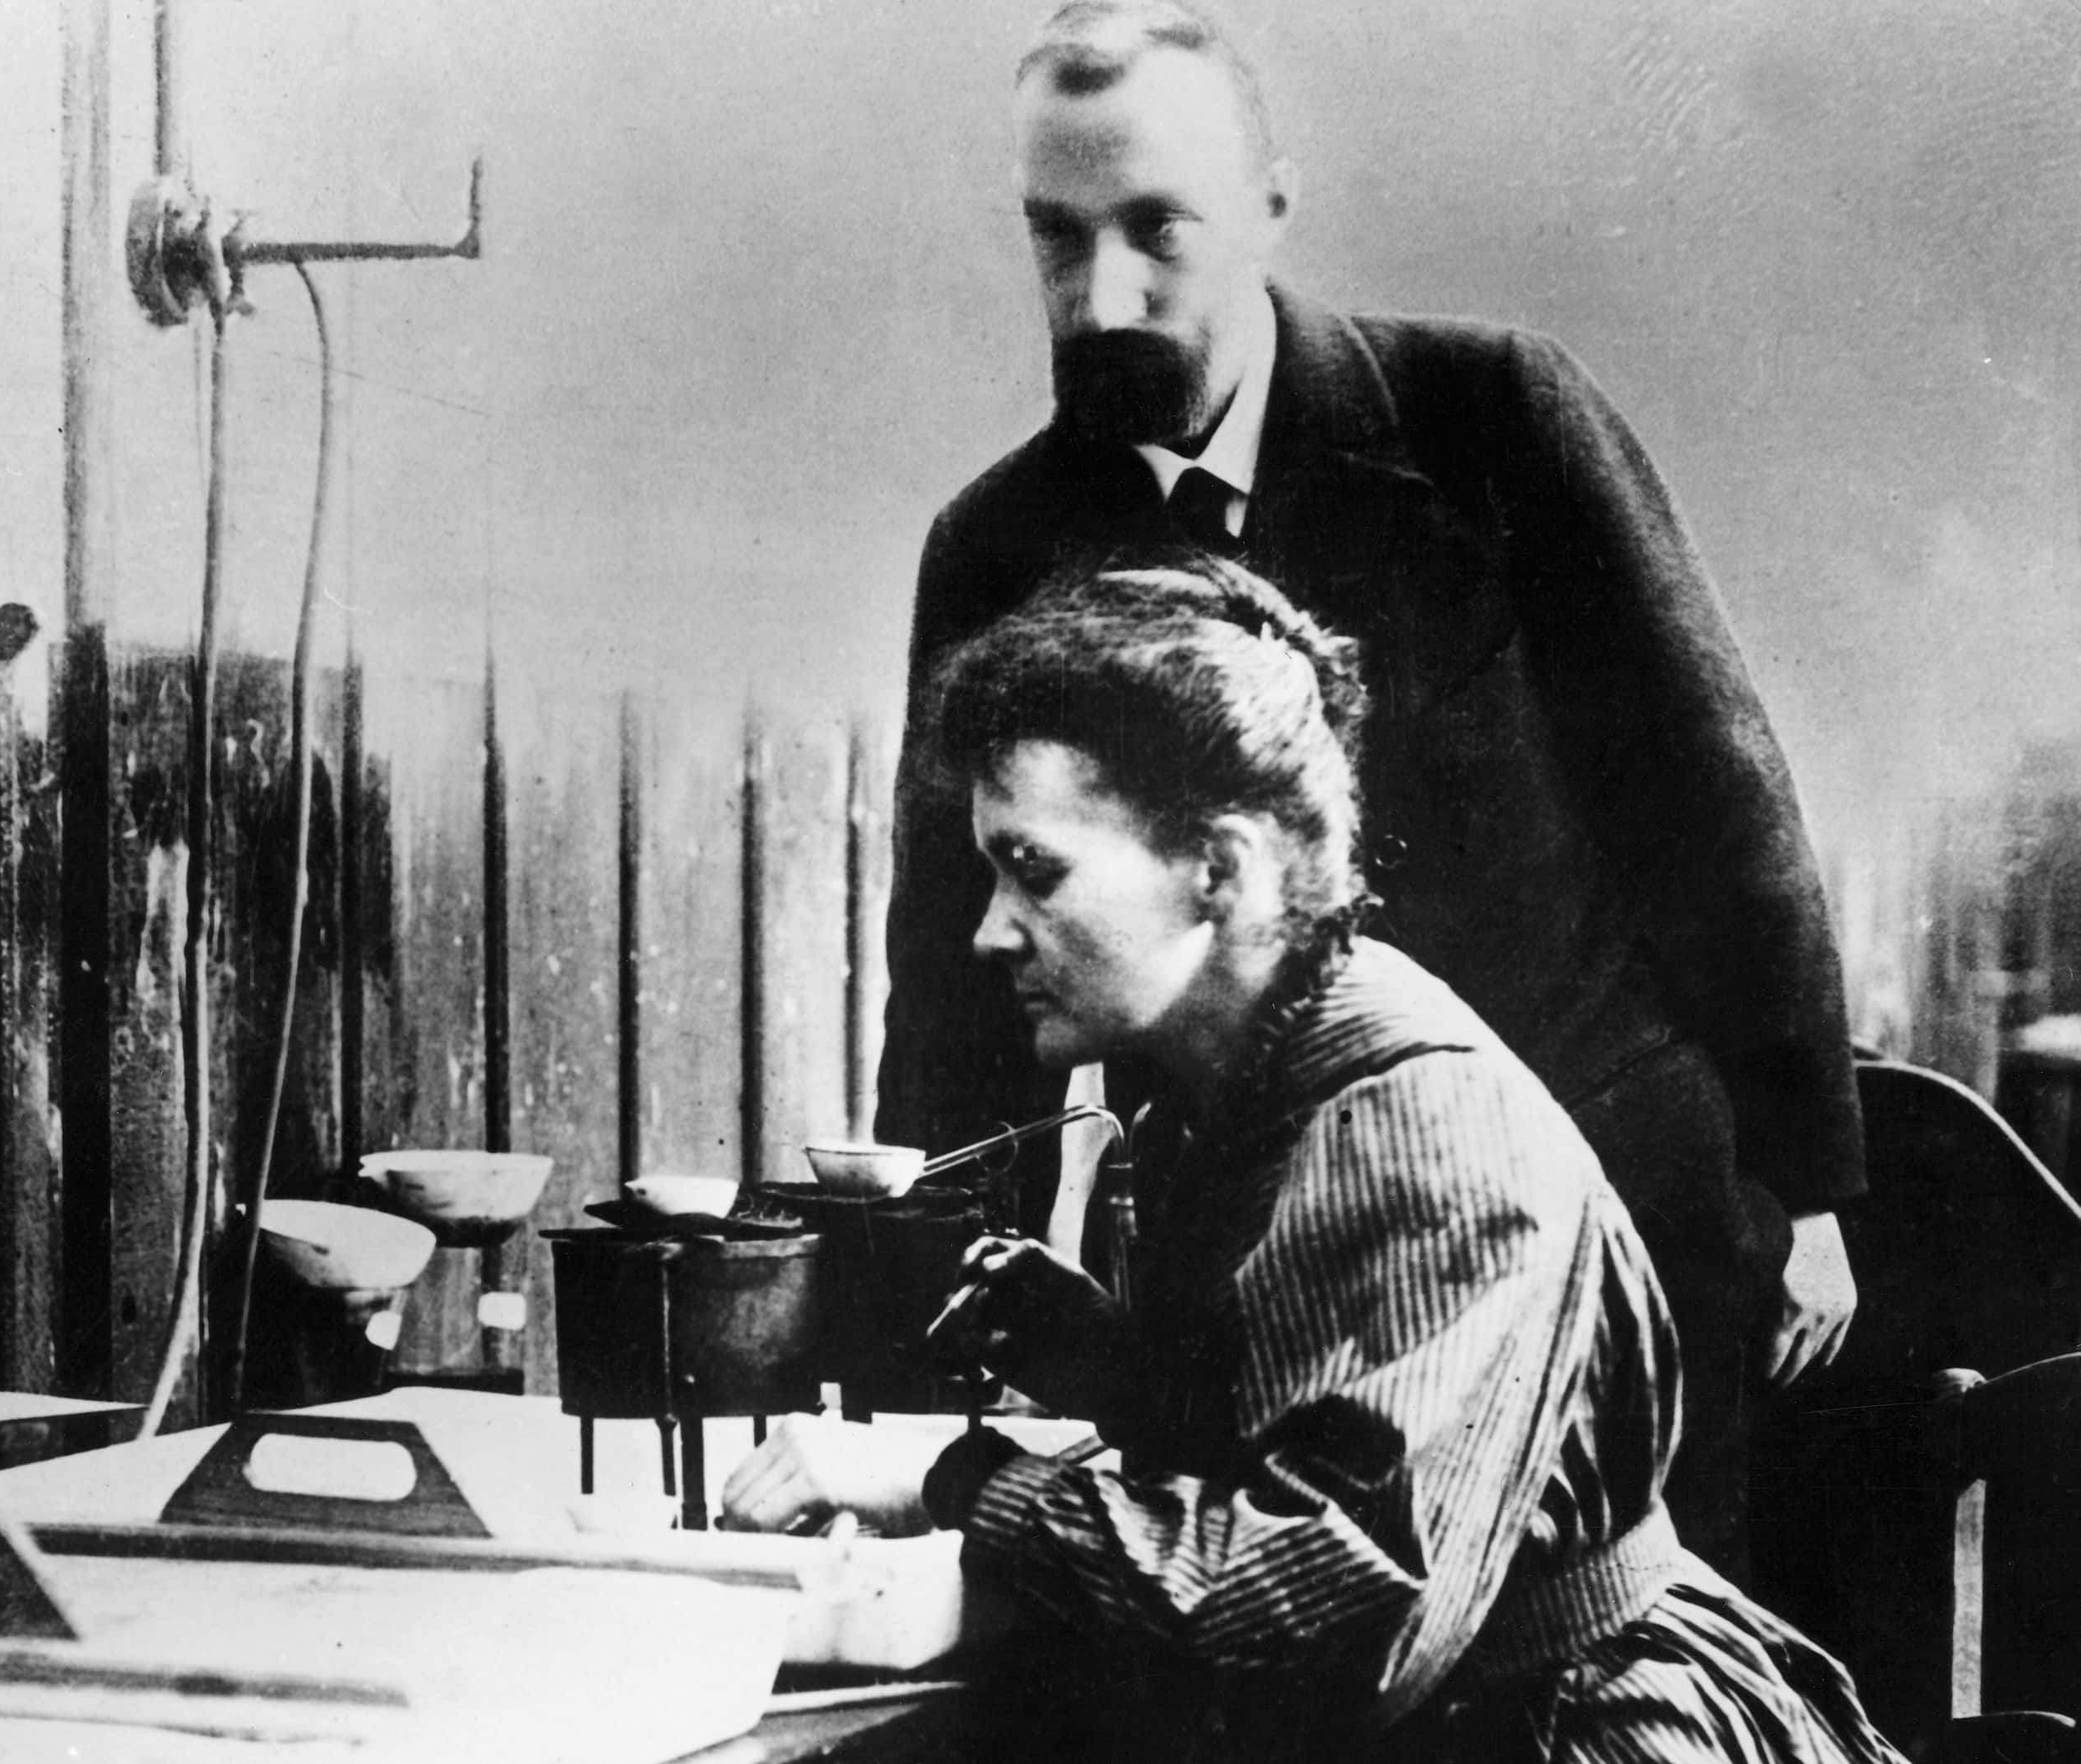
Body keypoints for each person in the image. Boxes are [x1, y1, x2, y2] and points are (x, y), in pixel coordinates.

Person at [875, 0, 1862, 1581]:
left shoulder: (1492, 423)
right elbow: (956, 963)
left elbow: (1713, 803)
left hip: (1611, 1212)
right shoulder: (996, 545)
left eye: (1156, 231)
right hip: (1257, 1268)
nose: (1100, 294)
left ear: (1268, 206)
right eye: (1055, 241)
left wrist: (1804, 1187)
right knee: (1272, 1632)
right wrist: (920, 1312)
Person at [727, 558, 1903, 1763]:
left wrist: (950, 1473)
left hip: (1571, 1731)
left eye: (1034, 869)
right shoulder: (1253, 1071)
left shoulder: (1410, 1118)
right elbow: (1320, 1420)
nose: (988, 928)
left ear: (1221, 869)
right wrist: (1111, 1362)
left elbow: (1326, 1617)